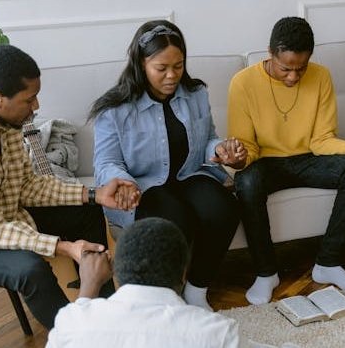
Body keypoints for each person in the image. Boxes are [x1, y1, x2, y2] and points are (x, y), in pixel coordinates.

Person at [0, 45, 138, 329]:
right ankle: (74, 338)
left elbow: (24, 186)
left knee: (86, 210)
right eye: (29, 99)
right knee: (29, 269)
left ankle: (104, 315)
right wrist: (62, 247)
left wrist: (93, 194)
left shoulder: (4, 117)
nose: (36, 106)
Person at [91, 20, 243, 311]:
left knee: (224, 209)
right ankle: (169, 297)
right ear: (141, 63)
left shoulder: (196, 94)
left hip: (189, 174)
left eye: (179, 65)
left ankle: (197, 290)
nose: (172, 76)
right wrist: (123, 182)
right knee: (172, 219)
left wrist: (220, 150)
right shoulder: (114, 109)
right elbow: (107, 162)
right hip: (145, 184)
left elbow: (208, 139)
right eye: (161, 68)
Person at [228, 17, 345, 305]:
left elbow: (322, 139)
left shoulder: (321, 76)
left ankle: (329, 263)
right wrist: (237, 161)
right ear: (270, 53)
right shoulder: (243, 83)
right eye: (285, 68)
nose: (293, 77)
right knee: (247, 181)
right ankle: (266, 273)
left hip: (310, 157)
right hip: (265, 162)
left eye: (301, 68)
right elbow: (247, 148)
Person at [47, 217, 241, 347]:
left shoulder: (70, 324)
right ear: (183, 274)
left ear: (115, 270)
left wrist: (88, 288)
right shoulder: (219, 332)